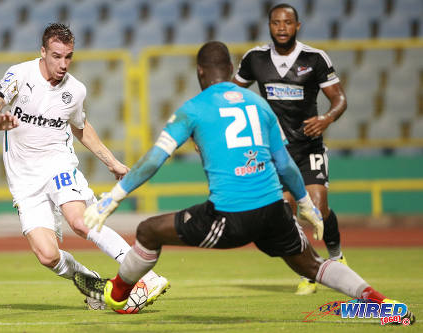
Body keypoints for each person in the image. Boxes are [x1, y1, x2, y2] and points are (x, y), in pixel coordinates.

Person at [71, 41, 414, 325]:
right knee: (312, 265)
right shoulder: (259, 104)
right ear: (230, 67)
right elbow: (285, 164)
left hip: (231, 216)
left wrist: (114, 197)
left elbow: (154, 159)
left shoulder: (194, 108)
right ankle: (383, 305)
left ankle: (116, 296)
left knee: (147, 231)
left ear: (200, 72)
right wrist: (306, 205)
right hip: (275, 209)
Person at [0, 23, 169, 310]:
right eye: (56, 56)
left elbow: (81, 127)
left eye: (68, 56)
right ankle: (92, 282)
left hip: (58, 164)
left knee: (80, 222)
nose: (63, 64)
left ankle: (148, 276)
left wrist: (113, 162)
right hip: (24, 180)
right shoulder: (20, 75)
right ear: (42, 51)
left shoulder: (76, 90)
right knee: (47, 255)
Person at [232, 3, 348, 295]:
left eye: (287, 22)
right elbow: (231, 94)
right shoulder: (255, 59)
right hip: (275, 152)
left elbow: (340, 99)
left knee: (318, 209)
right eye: (275, 23)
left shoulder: (315, 59)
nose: (281, 27)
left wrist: (326, 118)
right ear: (269, 26)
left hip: (308, 148)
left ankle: (336, 256)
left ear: (298, 26)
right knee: (289, 214)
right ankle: (313, 270)